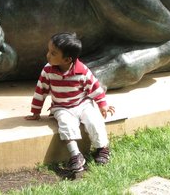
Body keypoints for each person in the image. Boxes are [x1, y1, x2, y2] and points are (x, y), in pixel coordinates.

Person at [25, 32, 115, 173]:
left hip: (82, 104)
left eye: (53, 53)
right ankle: (76, 155)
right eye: (49, 51)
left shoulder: (82, 71)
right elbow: (40, 91)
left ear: (67, 60)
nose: (48, 55)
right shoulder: (47, 70)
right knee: (66, 125)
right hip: (61, 107)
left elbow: (95, 87)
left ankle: (102, 148)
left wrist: (102, 105)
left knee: (94, 121)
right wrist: (36, 111)